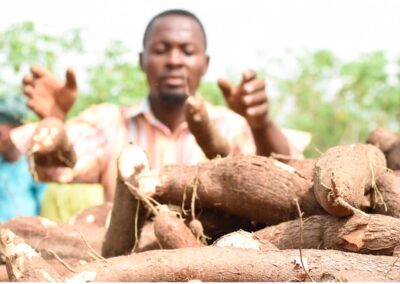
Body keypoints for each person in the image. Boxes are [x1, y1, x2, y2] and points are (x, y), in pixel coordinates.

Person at [14, 9, 311, 202]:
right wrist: (53, 121)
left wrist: (261, 124)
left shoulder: (231, 127)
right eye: (161, 50)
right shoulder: (109, 123)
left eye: (187, 51)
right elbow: (51, 169)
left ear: (205, 64)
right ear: (142, 61)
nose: (174, 60)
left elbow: (288, 181)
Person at [0, 95, 47, 222]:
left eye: (0, 134)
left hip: (27, 236)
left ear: (16, 131)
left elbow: (44, 205)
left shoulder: (33, 165)